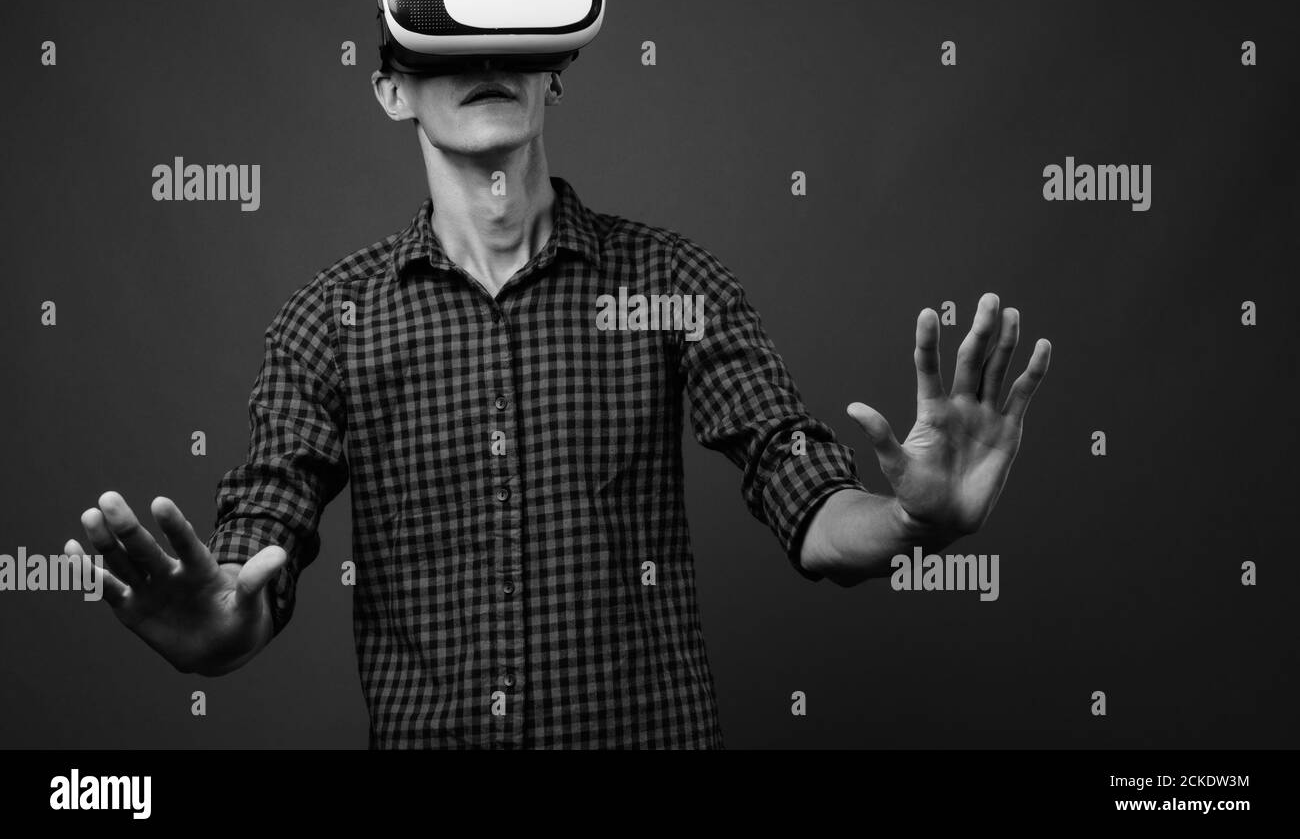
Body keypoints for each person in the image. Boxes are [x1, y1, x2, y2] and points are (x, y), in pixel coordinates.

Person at [63, 53, 1051, 748]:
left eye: (512, 40)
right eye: (440, 41)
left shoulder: (671, 280)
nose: (482, 59)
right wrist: (215, 626)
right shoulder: (329, 319)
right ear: (389, 88)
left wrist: (911, 521)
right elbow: (257, 557)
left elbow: (802, 500)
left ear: (554, 70)